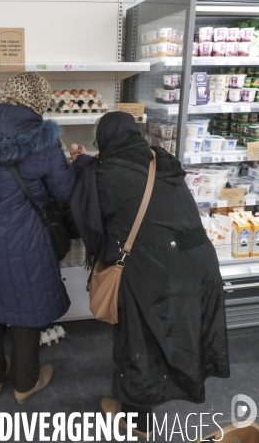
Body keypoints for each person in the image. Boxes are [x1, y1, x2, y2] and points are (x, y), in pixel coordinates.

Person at [70, 112, 229, 438]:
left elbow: (85, 219)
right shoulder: (160, 160)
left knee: (140, 335)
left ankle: (135, 422)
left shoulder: (105, 174)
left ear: (104, 141)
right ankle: (163, 389)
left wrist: (80, 168)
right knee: (173, 332)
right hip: (198, 261)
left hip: (156, 265)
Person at [0, 72, 87, 404]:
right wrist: (73, 162)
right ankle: (25, 384)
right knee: (23, 309)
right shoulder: (43, 141)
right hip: (21, 241)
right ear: (39, 102)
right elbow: (64, 191)